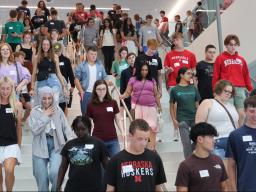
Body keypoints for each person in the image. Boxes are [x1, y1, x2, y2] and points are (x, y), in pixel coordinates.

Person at [27, 86, 73, 192]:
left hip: (56, 144)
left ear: (53, 98)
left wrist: (70, 142)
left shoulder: (58, 110)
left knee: (55, 172)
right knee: (42, 179)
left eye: (49, 98)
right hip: (39, 146)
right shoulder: (34, 111)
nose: (47, 101)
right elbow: (34, 130)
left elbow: (66, 127)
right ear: (39, 98)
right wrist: (45, 115)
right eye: (44, 98)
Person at [195, 80, 238, 189]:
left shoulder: (231, 106)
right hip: (217, 142)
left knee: (233, 177)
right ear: (219, 90)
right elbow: (199, 125)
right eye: (226, 91)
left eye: (230, 92)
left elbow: (236, 125)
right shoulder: (208, 102)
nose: (228, 93)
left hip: (233, 142)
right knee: (220, 177)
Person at [105, 119, 166, 191]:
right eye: (140, 139)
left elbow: (158, 188)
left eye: (146, 139)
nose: (143, 143)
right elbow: (110, 189)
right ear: (130, 136)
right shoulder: (116, 160)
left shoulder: (155, 158)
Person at [57, 115, 109, 191]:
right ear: (74, 130)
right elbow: (63, 167)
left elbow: (107, 166)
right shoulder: (68, 145)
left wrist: (112, 183)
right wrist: (58, 185)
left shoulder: (99, 144)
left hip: (95, 188)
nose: (80, 132)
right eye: (77, 129)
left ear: (89, 129)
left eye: (83, 129)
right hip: (73, 188)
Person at [212, 34, 253, 127]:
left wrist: (250, 88)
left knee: (242, 113)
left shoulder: (241, 59)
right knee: (230, 113)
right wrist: (215, 90)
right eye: (231, 44)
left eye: (235, 44)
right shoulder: (220, 58)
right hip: (226, 89)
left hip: (240, 89)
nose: (233, 47)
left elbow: (246, 74)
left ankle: (238, 130)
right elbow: (215, 75)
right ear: (226, 45)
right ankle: (231, 131)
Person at [175, 122, 228, 192]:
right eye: (210, 137)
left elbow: (224, 188)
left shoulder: (218, 160)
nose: (214, 141)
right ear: (200, 139)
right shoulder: (185, 166)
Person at [121, 62, 162, 150]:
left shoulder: (152, 80)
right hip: (138, 107)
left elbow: (156, 94)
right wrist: (123, 96)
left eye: (146, 70)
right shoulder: (133, 79)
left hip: (151, 107)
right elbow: (128, 92)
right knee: (140, 128)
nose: (144, 72)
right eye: (142, 70)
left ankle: (152, 149)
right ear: (139, 70)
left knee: (152, 127)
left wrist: (159, 106)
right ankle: (140, 148)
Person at [87, 80, 124, 157]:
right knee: (101, 167)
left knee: (116, 163)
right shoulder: (91, 105)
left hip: (113, 139)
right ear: (95, 90)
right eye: (99, 89)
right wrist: (88, 136)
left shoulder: (113, 102)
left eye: (104, 89)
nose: (102, 91)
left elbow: (117, 118)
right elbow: (88, 122)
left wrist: (122, 132)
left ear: (107, 89)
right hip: (97, 140)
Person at [226, 96, 256, 191]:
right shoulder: (235, 135)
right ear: (245, 111)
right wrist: (233, 189)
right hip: (246, 187)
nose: (255, 115)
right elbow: (231, 165)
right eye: (252, 111)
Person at [170, 67, 200, 157]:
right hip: (182, 118)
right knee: (186, 144)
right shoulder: (175, 90)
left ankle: (193, 158)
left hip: (194, 118)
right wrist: (174, 120)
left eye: (191, 74)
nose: (190, 76)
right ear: (181, 75)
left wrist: (200, 118)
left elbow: (197, 105)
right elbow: (171, 107)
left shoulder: (193, 88)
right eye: (188, 73)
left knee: (198, 140)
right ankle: (189, 164)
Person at [30, 36, 68, 106]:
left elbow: (59, 73)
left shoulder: (55, 56)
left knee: (55, 102)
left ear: (50, 46)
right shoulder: (36, 57)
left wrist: (64, 87)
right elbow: (34, 73)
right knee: (42, 104)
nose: (45, 46)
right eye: (44, 44)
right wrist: (32, 88)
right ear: (41, 45)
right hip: (41, 81)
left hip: (53, 81)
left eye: (47, 44)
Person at [0, 76, 22, 192]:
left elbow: (19, 127)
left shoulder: (17, 105)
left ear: (11, 89)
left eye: (7, 89)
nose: (5, 91)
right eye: (2, 89)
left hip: (11, 143)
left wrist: (19, 145)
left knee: (9, 170)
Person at [74, 46, 109, 115]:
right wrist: (81, 92)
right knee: (85, 115)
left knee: (99, 115)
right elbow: (76, 80)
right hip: (86, 93)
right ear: (87, 54)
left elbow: (105, 78)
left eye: (95, 54)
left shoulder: (100, 66)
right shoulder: (81, 66)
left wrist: (104, 89)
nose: (94, 56)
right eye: (92, 54)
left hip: (98, 93)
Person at [52, 42, 75, 115]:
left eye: (58, 51)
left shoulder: (66, 60)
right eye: (55, 51)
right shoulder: (51, 60)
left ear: (61, 50)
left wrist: (72, 85)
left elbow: (70, 73)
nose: (57, 52)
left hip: (63, 84)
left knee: (64, 102)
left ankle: (64, 119)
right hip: (53, 84)